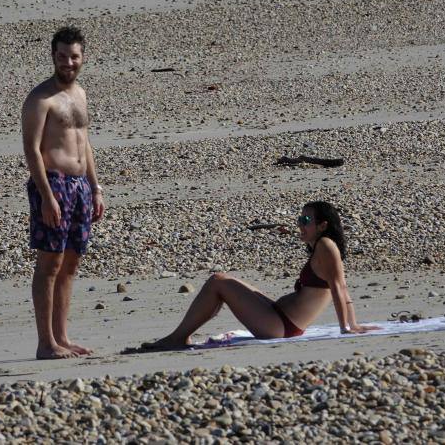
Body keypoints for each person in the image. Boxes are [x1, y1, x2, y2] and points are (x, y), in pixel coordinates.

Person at [141, 201, 378, 351]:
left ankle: (178, 338)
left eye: (306, 220)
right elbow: (340, 286)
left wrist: (347, 326)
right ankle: (181, 336)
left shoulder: (326, 245)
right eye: (300, 219)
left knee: (217, 283)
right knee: (221, 278)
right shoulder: (322, 246)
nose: (300, 225)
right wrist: (351, 324)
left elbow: (339, 288)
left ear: (323, 225)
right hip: (280, 317)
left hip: (281, 326)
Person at [21, 26, 105, 359]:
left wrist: (95, 187)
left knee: (71, 263)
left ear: (82, 57)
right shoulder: (40, 99)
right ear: (53, 56)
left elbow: (85, 144)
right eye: (62, 56)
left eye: (74, 56)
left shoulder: (80, 95)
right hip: (54, 184)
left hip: (80, 186)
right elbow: (31, 150)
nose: (68, 62)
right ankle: (46, 343)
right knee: (50, 264)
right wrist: (47, 195)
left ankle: (62, 337)